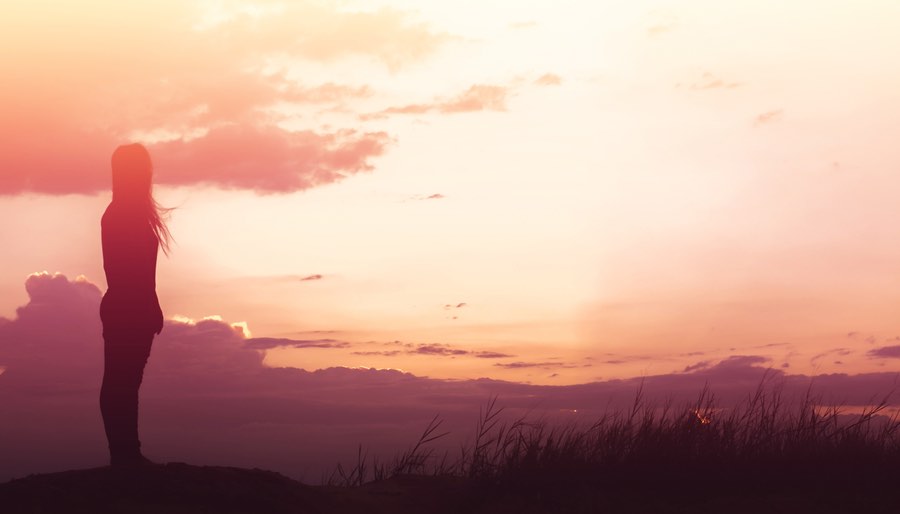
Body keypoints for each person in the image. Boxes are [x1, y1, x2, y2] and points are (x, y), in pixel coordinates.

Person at [99, 143, 172, 468]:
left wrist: (152, 304)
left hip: (134, 306)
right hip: (126, 307)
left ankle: (127, 452)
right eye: (142, 167)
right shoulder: (119, 214)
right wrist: (144, 304)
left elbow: (144, 270)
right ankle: (124, 454)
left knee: (126, 381)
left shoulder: (130, 212)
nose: (148, 172)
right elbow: (121, 270)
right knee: (121, 381)